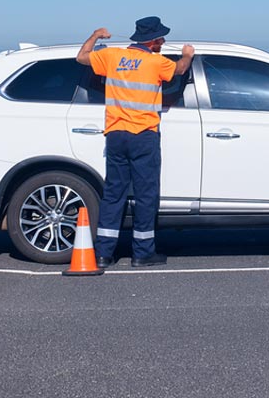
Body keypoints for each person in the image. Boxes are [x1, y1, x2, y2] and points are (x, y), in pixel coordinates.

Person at [76, 16, 193, 268]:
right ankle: (142, 253)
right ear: (152, 41)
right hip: (143, 135)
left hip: (116, 134)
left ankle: (103, 254)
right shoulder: (156, 62)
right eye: (161, 38)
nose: (163, 42)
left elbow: (81, 57)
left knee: (113, 194)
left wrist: (95, 35)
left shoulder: (112, 56)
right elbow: (181, 69)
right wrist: (188, 55)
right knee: (145, 195)